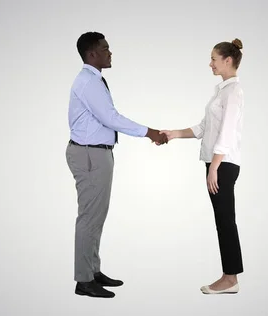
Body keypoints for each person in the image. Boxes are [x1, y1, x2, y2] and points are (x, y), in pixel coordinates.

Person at [66, 31, 168, 298]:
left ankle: (93, 272)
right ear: (92, 54)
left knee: (96, 216)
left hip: (96, 153)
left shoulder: (93, 80)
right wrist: (150, 132)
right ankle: (83, 280)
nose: (110, 52)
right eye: (105, 48)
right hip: (90, 155)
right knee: (89, 217)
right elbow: (111, 118)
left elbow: (107, 119)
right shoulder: (88, 83)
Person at [159, 38, 245, 294]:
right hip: (217, 163)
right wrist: (174, 133)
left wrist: (214, 167)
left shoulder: (234, 92)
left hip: (224, 165)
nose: (210, 64)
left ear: (227, 60)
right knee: (223, 219)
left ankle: (230, 279)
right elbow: (204, 128)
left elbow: (227, 133)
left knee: (225, 221)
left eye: (213, 59)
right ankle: (230, 277)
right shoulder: (221, 91)